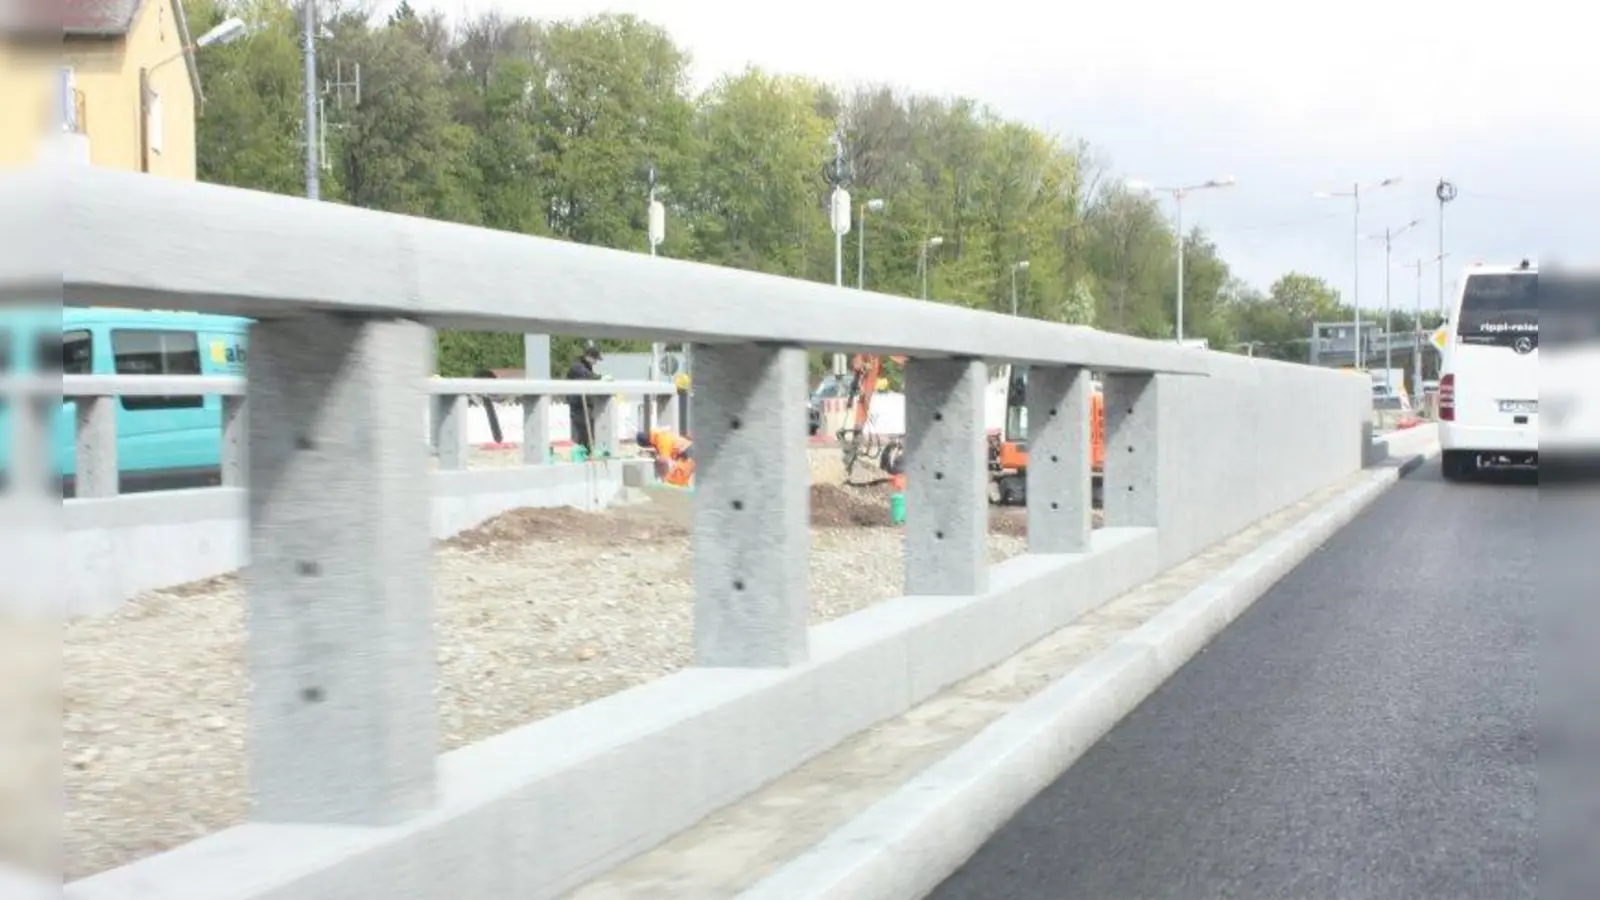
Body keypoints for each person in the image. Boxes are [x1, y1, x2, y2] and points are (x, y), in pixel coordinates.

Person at [566, 343, 604, 454]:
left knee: (590, 431)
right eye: (595, 359)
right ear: (589, 356)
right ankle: (584, 453)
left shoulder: (587, 367)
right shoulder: (577, 367)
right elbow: (588, 376)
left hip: (586, 405)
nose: (596, 362)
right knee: (583, 431)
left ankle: (588, 451)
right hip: (578, 406)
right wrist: (600, 378)